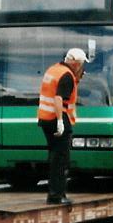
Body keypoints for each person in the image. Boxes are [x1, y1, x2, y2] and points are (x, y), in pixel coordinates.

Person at [37, 47, 88, 205]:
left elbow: (54, 91)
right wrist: (60, 121)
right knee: (61, 159)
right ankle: (57, 196)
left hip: (45, 118)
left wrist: (77, 79)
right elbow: (59, 98)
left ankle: (53, 193)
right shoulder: (67, 76)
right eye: (80, 64)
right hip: (57, 119)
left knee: (54, 157)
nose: (80, 67)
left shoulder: (54, 69)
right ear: (74, 63)